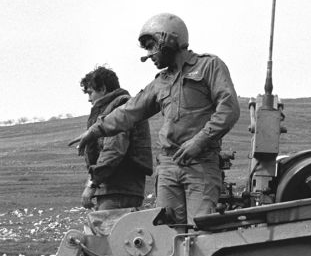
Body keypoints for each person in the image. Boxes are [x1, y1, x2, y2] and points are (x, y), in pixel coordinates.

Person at [71, 13, 240, 225]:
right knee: (166, 235)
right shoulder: (160, 82)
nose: (149, 55)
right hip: (168, 166)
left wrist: (200, 141)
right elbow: (129, 111)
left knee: (200, 232)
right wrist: (95, 130)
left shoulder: (209, 66)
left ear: (169, 40)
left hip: (201, 164)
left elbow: (229, 109)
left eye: (152, 47)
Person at [78, 66, 154, 211]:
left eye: (90, 92)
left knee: (112, 232)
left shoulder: (119, 108)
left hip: (118, 190)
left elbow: (114, 149)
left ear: (103, 88)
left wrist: (92, 183)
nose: (89, 99)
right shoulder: (120, 107)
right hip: (119, 189)